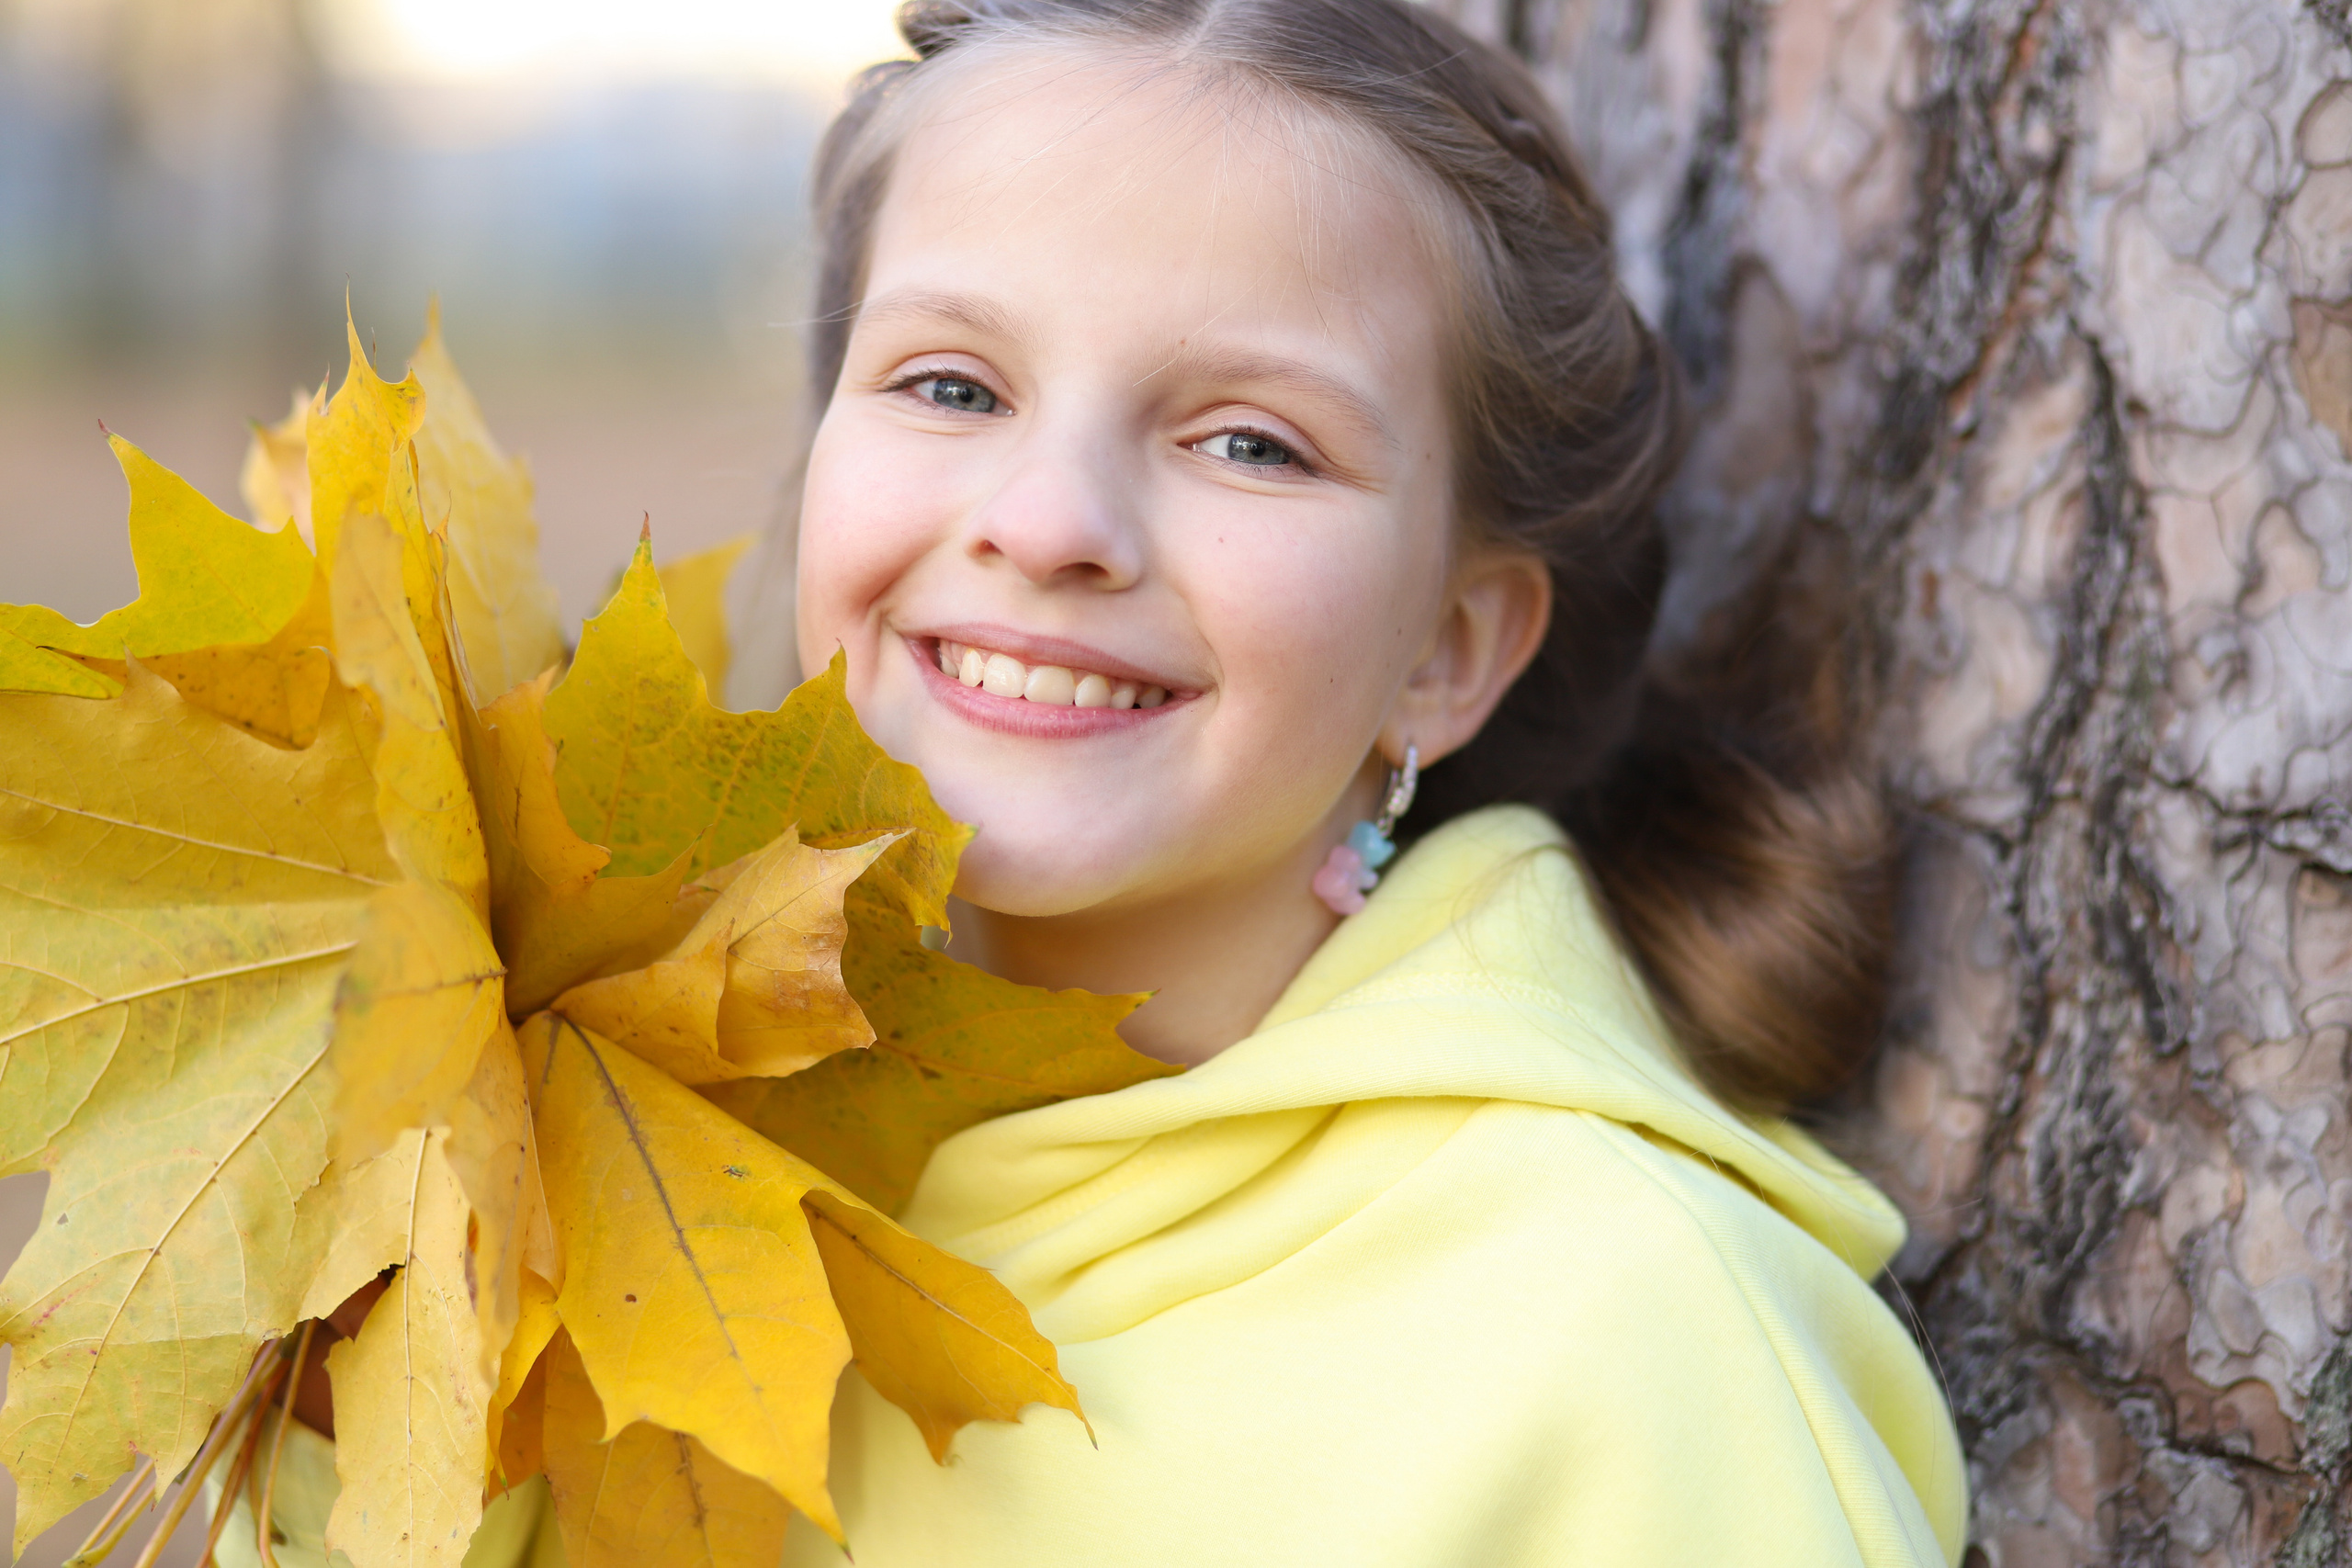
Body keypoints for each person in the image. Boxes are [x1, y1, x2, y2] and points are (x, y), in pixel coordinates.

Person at [757, 0, 1966, 1562]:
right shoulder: (570, 1125)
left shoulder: (1618, 1347)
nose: (1050, 519)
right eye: (953, 386)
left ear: (1446, 651)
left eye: (1251, 443)